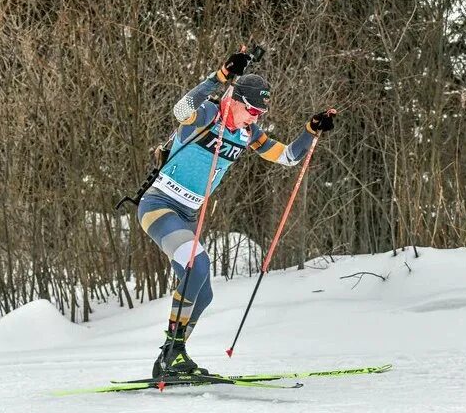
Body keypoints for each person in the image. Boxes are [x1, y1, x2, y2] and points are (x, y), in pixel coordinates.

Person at [137, 46, 336, 377]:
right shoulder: (206, 115)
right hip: (159, 205)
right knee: (195, 265)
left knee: (204, 292)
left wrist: (310, 131)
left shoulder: (246, 134)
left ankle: (177, 354)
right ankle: (167, 357)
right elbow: (180, 108)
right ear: (233, 99)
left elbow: (287, 157)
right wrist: (220, 77)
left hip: (188, 215)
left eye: (260, 114)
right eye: (252, 110)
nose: (255, 118)